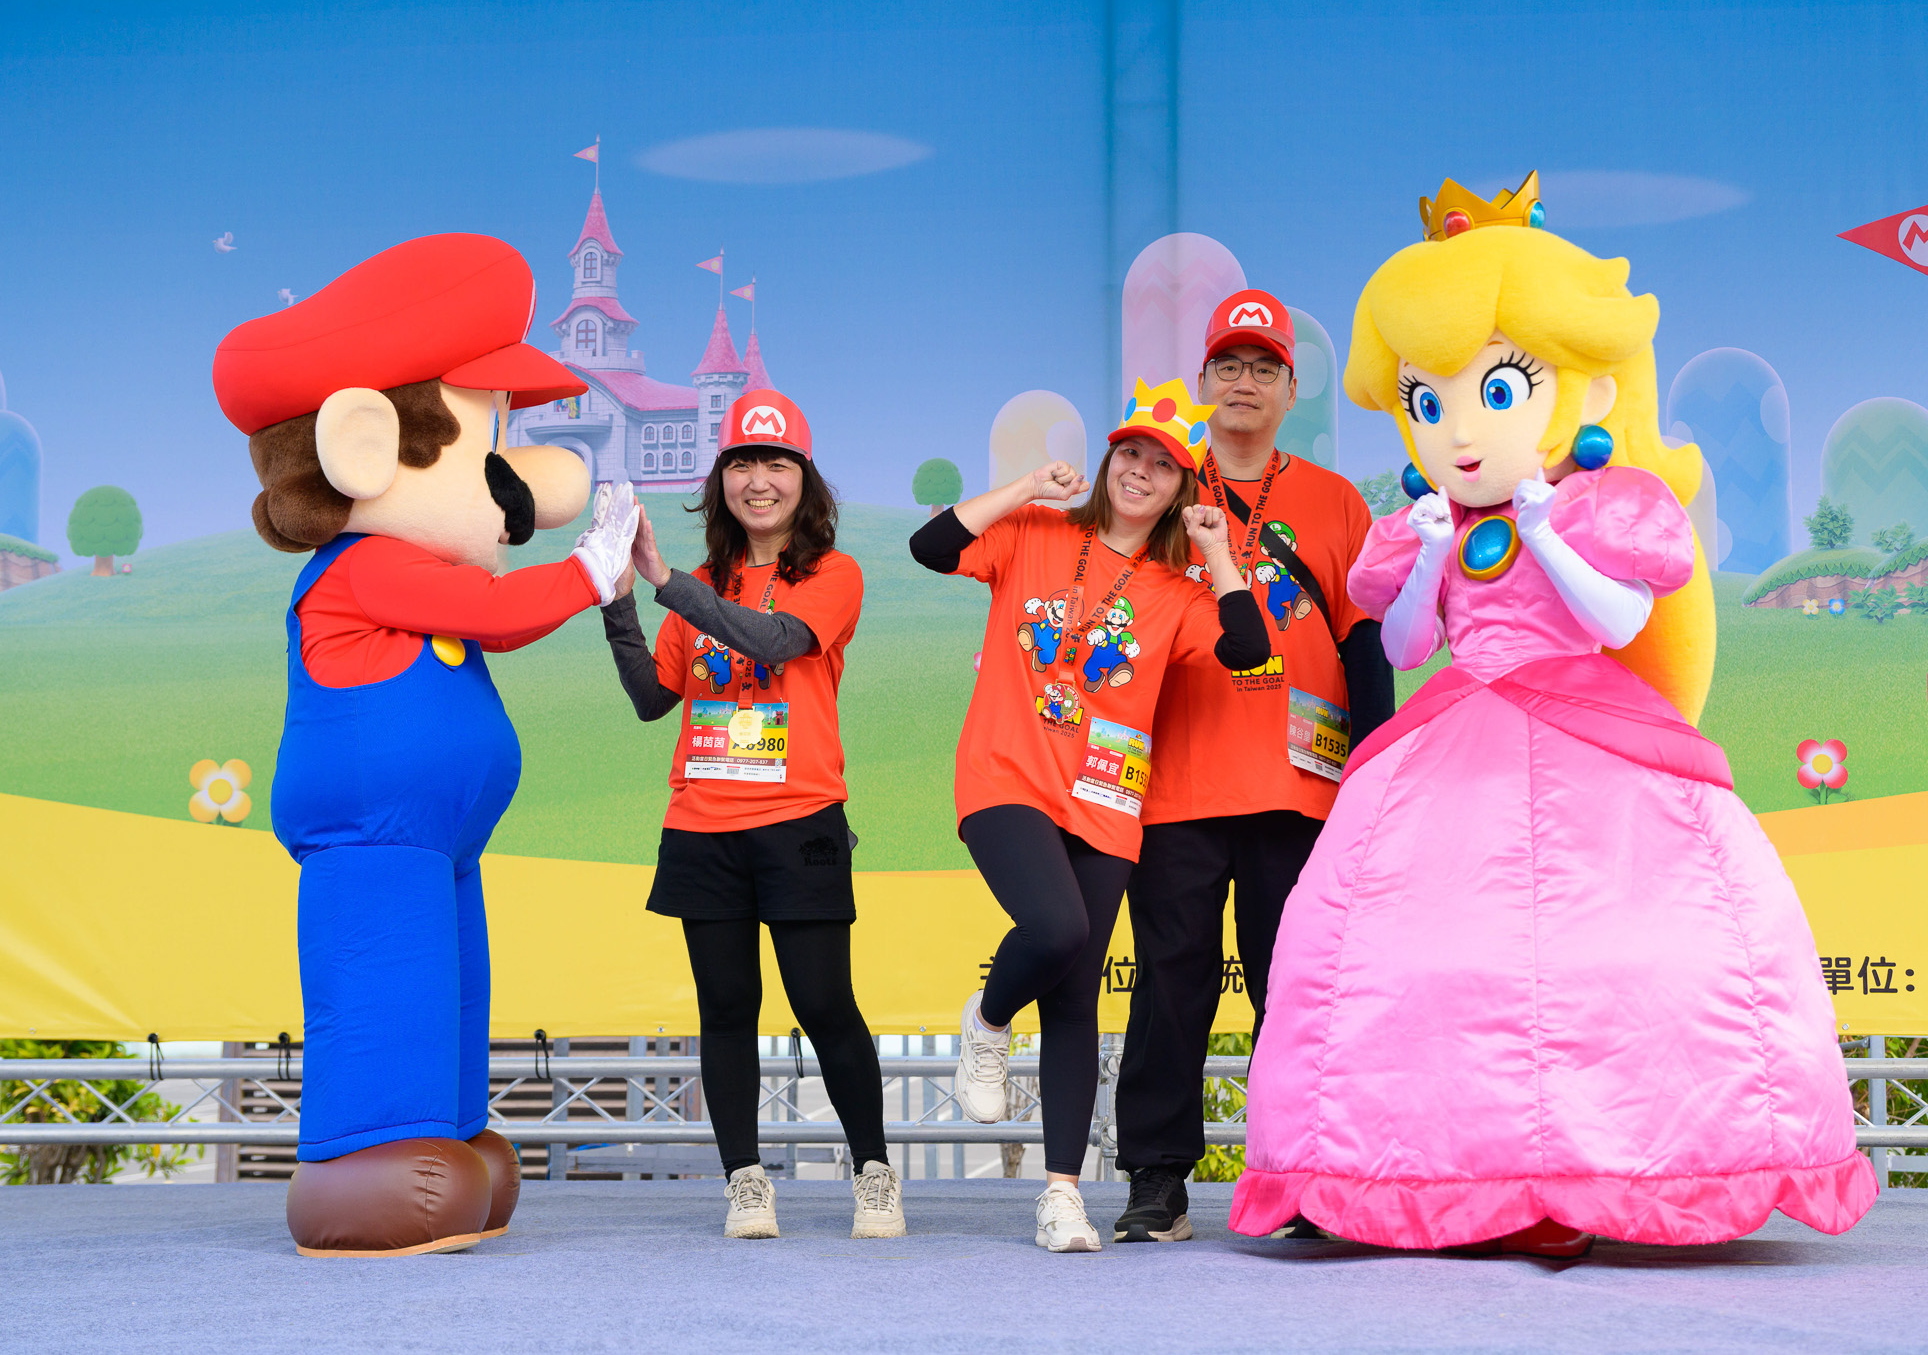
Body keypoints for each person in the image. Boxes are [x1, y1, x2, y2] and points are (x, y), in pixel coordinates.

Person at [1229, 173, 1876, 1255]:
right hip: (1453, 728)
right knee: (1391, 944)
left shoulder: (1599, 505)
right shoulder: (1426, 526)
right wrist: (1430, 555)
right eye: (1426, 402)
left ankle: (1606, 1170)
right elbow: (1405, 647)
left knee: (1646, 940)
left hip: (1589, 717)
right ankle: (1402, 1172)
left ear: (1580, 385)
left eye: (1495, 389)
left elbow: (1619, 618)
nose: (1458, 431)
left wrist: (1546, 533)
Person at [213, 233, 636, 1258]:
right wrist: (588, 570)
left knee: (449, 990)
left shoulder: (407, 569)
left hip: (438, 839)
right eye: (490, 450)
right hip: (376, 837)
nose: (526, 488)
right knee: (384, 984)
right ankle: (364, 1165)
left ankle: (447, 1132)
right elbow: (495, 613)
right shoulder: (367, 563)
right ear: (366, 449)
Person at [909, 379, 1272, 1252]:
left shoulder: (1177, 592)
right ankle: (988, 1018)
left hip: (1106, 802)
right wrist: (1028, 487)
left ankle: (1062, 1194)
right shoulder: (1033, 533)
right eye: (1129, 454)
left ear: (1179, 488)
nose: (1140, 471)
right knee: (1057, 927)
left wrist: (1217, 550)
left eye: (1161, 465)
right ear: (1108, 463)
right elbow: (930, 545)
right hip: (1005, 777)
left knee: (1076, 995)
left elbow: (1250, 648)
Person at [1111, 290, 1394, 1245]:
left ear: (1290, 388)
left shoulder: (1334, 500)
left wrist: (1375, 774)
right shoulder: (1157, 484)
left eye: (1263, 367)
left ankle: (1308, 1176)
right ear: (1202, 379)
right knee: (1170, 986)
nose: (1244, 381)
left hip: (1300, 787)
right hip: (1174, 784)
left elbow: (1364, 645)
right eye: (1228, 364)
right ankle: (1157, 1180)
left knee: (1298, 989)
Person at [600, 388, 903, 1242]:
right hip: (703, 824)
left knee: (824, 1002)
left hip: (800, 819)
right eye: (742, 463)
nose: (758, 480)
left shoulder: (832, 575)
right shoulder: (698, 586)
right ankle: (745, 1180)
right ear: (721, 480)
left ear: (805, 480)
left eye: (776, 463)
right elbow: (652, 697)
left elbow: (773, 641)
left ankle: (874, 1171)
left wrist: (665, 583)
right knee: (727, 1006)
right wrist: (619, 599)